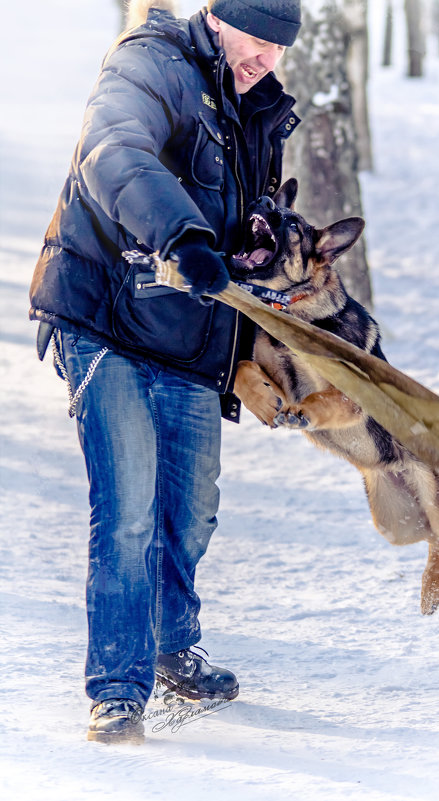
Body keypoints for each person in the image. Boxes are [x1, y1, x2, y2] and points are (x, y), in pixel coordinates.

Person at [29, 0, 301, 744]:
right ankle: (117, 687)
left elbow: (241, 215)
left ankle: (171, 645)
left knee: (191, 509)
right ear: (216, 18)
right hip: (105, 317)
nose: (267, 59)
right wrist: (181, 234)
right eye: (258, 39)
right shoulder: (147, 64)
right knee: (127, 510)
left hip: (188, 333)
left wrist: (248, 238)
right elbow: (115, 152)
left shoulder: (259, 107)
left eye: (282, 47)